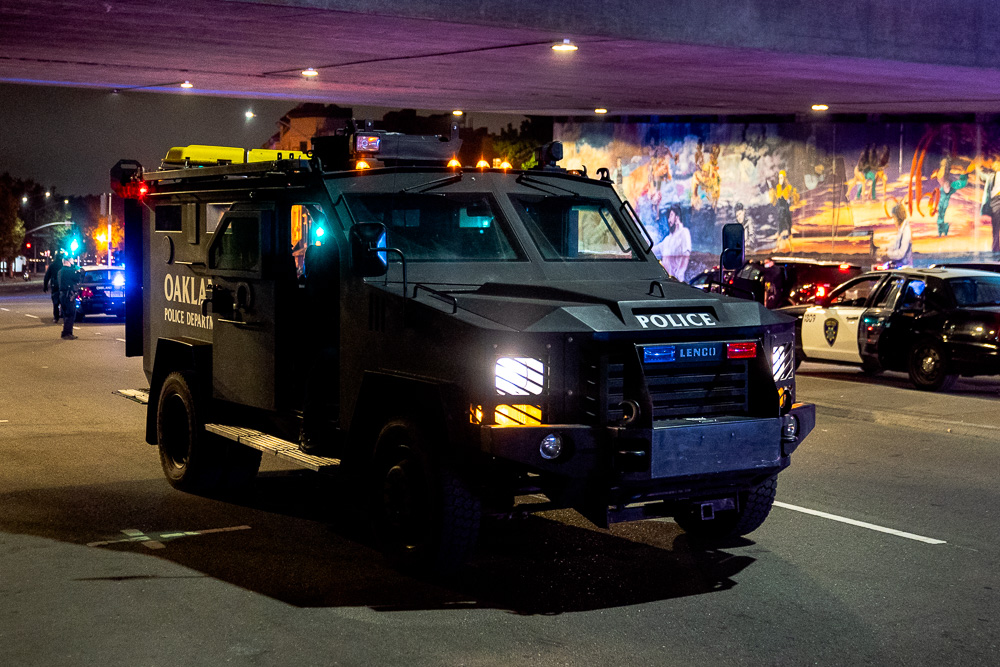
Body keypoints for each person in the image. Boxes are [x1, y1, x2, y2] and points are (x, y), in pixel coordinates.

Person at [651, 205, 691, 281]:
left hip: (677, 282)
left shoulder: (684, 233)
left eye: (671, 216)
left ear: (677, 217)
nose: (669, 220)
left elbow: (686, 255)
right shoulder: (667, 239)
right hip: (665, 281)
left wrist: (679, 273)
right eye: (669, 217)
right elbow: (655, 250)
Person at [56, 257, 81, 340]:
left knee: (66, 314)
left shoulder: (60, 271)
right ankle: (67, 333)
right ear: (68, 262)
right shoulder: (69, 271)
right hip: (68, 295)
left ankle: (65, 332)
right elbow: (78, 278)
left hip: (62, 295)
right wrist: (79, 271)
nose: (72, 263)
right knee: (71, 314)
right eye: (72, 261)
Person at [886, 203, 912, 268]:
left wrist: (887, 254)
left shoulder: (906, 230)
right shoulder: (902, 229)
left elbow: (901, 253)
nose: (893, 221)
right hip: (902, 267)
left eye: (894, 218)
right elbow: (896, 246)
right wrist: (887, 249)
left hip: (905, 268)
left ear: (898, 217)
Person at [42, 254, 64, 322]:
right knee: (64, 301)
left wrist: (45, 286)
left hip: (55, 286)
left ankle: (56, 317)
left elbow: (47, 276)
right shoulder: (64, 265)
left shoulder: (52, 265)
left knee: (55, 302)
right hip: (63, 286)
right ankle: (64, 316)